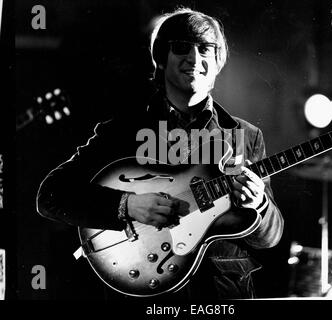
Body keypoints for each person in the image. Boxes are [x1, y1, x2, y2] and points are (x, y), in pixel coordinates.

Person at [36, 7, 284, 300]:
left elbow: (270, 237)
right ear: (161, 60)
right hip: (147, 295)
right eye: (181, 48)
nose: (195, 59)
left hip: (221, 293)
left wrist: (259, 205)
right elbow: (51, 196)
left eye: (206, 49)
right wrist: (126, 205)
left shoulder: (246, 136)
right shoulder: (123, 130)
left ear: (218, 62)